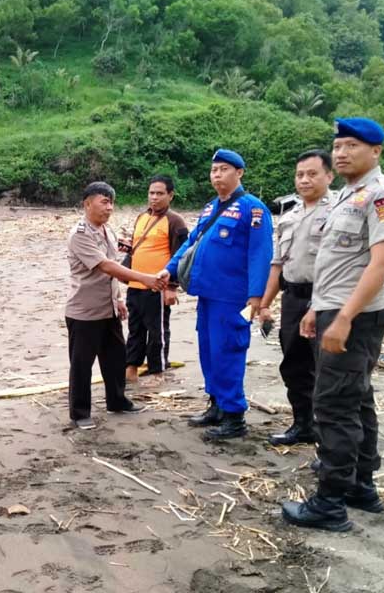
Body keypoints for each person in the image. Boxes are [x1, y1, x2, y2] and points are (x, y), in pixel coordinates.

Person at [282, 118, 384, 532]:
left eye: (352, 145)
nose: (341, 153)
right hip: (332, 309)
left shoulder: (383, 195)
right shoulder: (344, 197)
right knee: (357, 399)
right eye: (337, 146)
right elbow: (333, 263)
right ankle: (360, 486)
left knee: (334, 406)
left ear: (376, 151)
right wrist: (315, 310)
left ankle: (330, 502)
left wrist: (342, 318)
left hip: (354, 315)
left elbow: (382, 264)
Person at [160, 150, 273, 440]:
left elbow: (260, 255)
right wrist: (169, 271)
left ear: (240, 173)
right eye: (213, 170)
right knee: (209, 351)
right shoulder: (211, 208)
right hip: (208, 295)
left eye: (223, 169)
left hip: (233, 298)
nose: (217, 175)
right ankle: (216, 406)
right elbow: (190, 244)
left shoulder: (254, 209)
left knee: (229, 353)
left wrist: (256, 296)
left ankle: (234, 418)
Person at [66, 181, 162, 430]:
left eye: (111, 202)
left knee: (115, 358)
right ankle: (79, 413)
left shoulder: (107, 231)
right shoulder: (80, 234)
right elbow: (106, 266)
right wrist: (143, 278)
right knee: (82, 364)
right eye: (103, 202)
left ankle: (117, 401)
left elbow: (110, 270)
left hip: (108, 308)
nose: (109, 207)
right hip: (85, 311)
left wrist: (118, 299)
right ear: (87, 204)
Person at [259, 150, 334, 446]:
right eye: (300, 174)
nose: (304, 180)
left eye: (312, 174)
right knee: (293, 365)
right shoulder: (289, 216)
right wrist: (265, 304)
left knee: (326, 369)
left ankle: (328, 439)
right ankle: (303, 424)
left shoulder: (339, 211)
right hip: (293, 298)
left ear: (329, 176)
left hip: (325, 299)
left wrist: (318, 306)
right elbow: (278, 265)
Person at [121, 176, 189, 382]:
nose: (154, 197)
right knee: (135, 330)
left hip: (157, 286)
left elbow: (181, 254)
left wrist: (171, 288)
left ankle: (157, 371)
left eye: (160, 193)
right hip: (135, 284)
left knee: (157, 331)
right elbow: (136, 249)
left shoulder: (175, 221)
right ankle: (131, 367)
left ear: (170, 195)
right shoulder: (141, 217)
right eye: (151, 193)